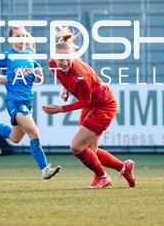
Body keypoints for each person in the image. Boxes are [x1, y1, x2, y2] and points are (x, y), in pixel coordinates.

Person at [41, 27, 136, 189]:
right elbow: (66, 79)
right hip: (92, 102)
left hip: (103, 105)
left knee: (76, 146)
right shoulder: (52, 64)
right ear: (54, 58)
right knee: (89, 149)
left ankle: (102, 177)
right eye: (60, 60)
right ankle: (123, 168)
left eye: (67, 59)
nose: (63, 63)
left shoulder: (80, 75)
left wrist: (61, 109)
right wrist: (66, 89)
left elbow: (86, 101)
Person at [0, 24, 61, 180]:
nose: (22, 39)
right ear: (11, 39)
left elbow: (40, 77)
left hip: (28, 101)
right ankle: (45, 169)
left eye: (23, 35)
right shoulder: (7, 56)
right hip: (15, 101)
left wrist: (38, 75)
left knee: (15, 138)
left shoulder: (32, 55)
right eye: (18, 36)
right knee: (34, 132)